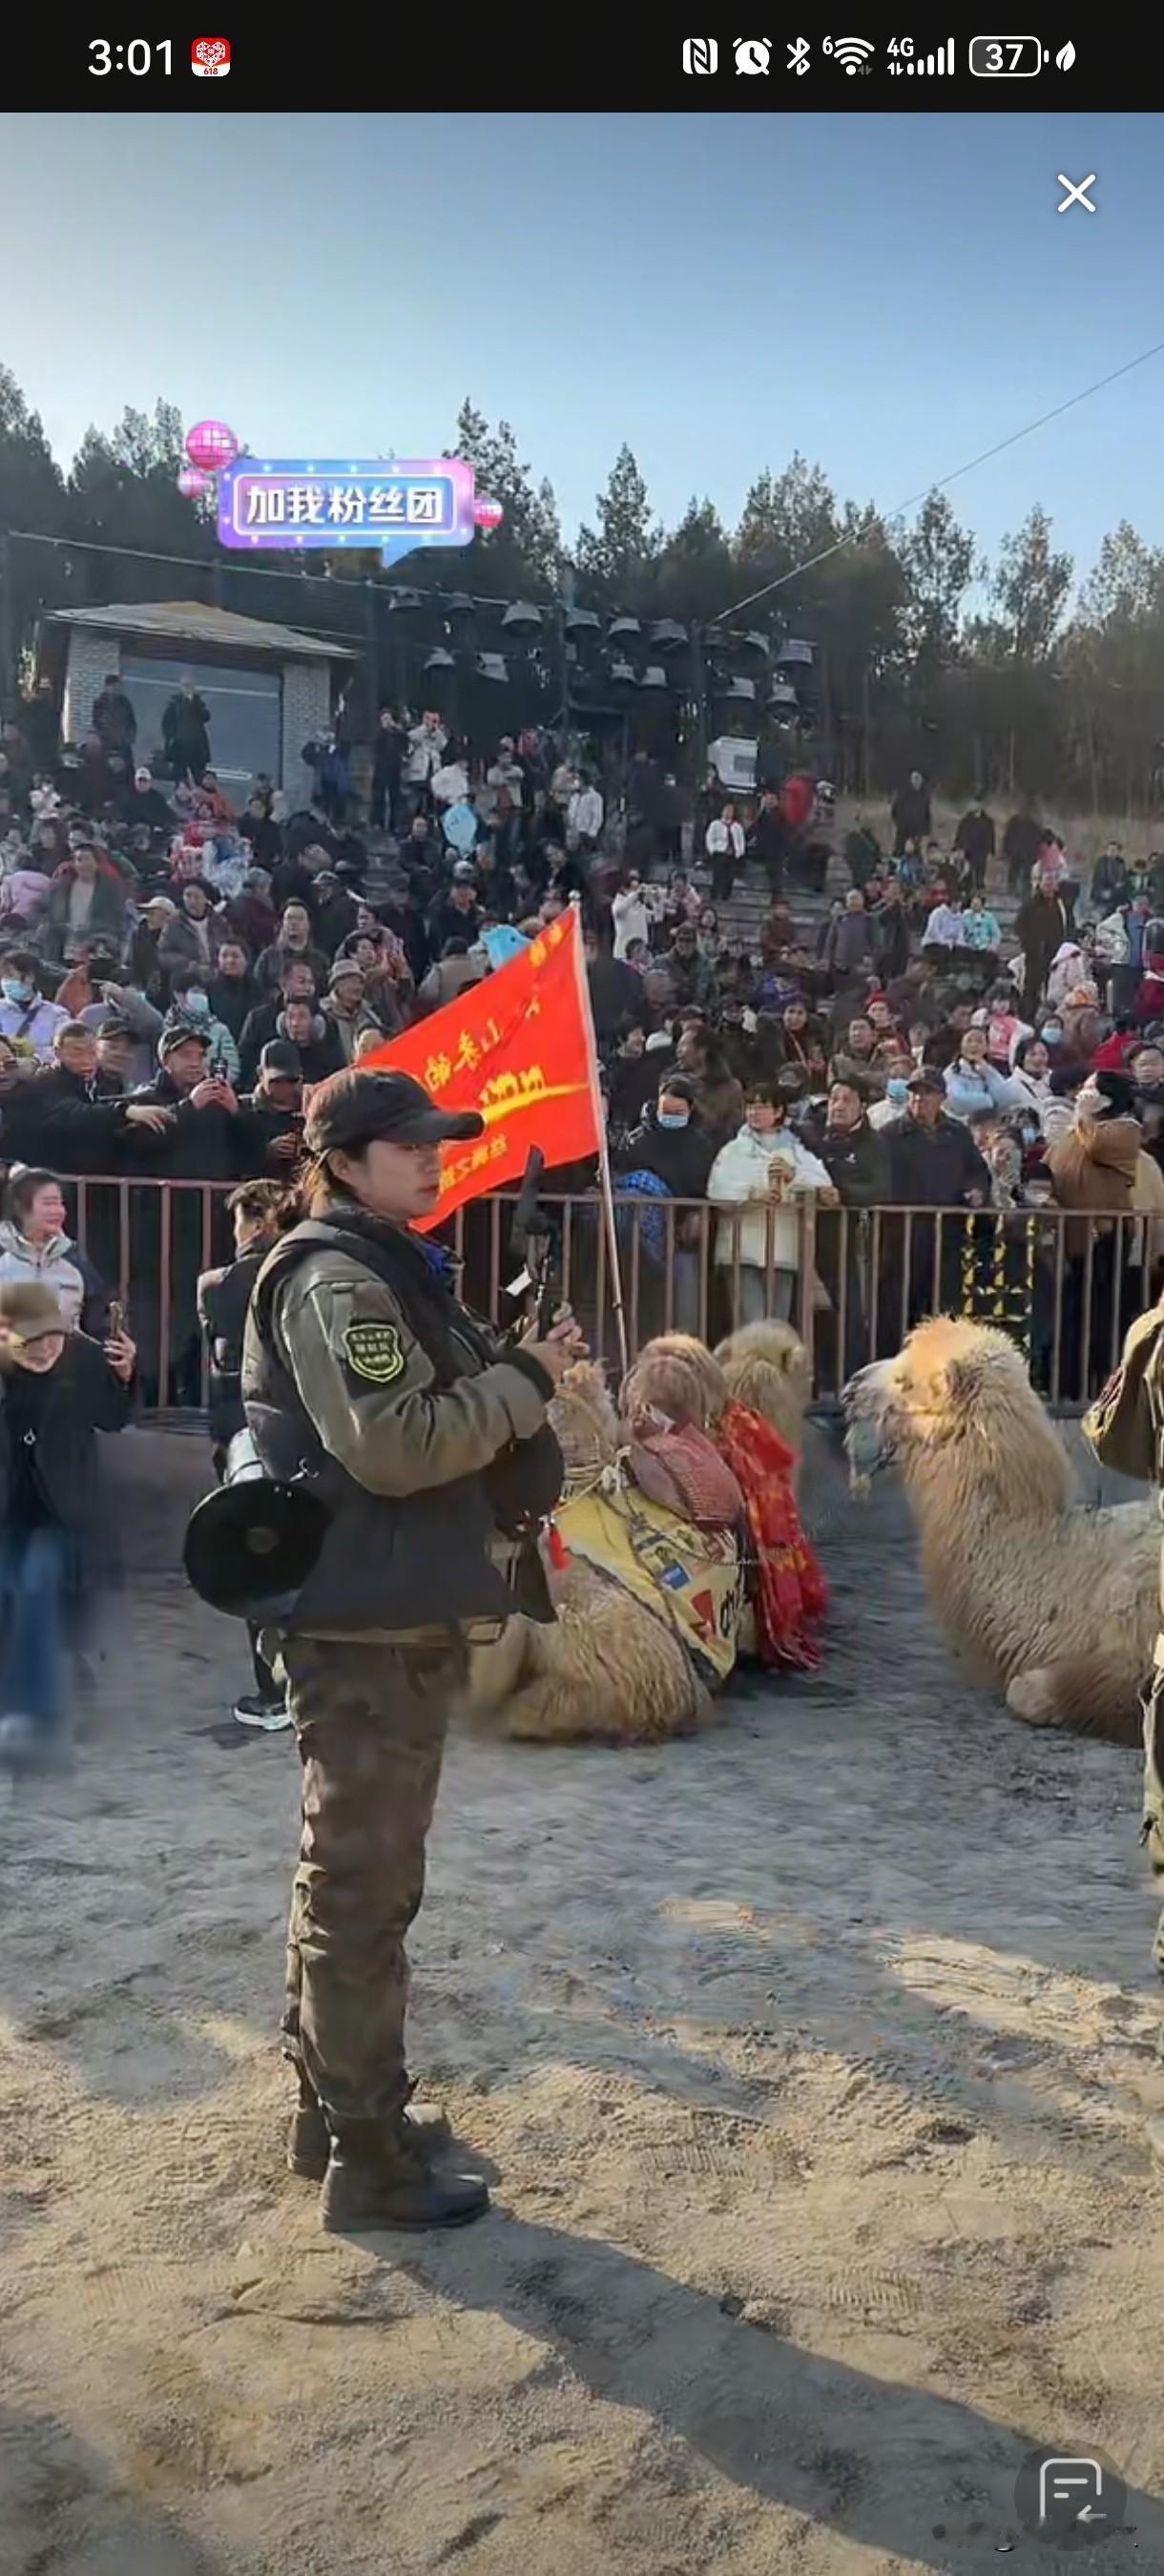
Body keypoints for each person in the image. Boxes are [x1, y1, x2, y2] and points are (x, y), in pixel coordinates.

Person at [239, 1065, 580, 2228]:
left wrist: (508, 1365)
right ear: (340, 1161)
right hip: (362, 1624)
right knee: (359, 1895)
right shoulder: (338, 1280)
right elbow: (393, 1445)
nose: (436, 1160)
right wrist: (521, 1385)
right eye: (411, 1145)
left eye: (438, 1142)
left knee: (350, 1884)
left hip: (384, 1611)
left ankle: (332, 2114)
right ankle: (366, 2160)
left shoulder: (384, 1266)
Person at [0, 1278, 135, 1767]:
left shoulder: (81, 1360)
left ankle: (68, 1705)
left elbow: (115, 1418)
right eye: (30, 1343)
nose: (43, 1351)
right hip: (12, 1504)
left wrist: (123, 1376)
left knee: (51, 1604)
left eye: (52, 1339)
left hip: (65, 1507)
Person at [197, 1181, 292, 1731]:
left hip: (248, 1438)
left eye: (239, 1221)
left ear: (257, 1224)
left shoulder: (222, 1285)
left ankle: (275, 1693)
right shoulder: (320, 1275)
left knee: (259, 1564)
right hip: (313, 1440)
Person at [707, 1081, 835, 1325]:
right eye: (751, 1106)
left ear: (778, 1112)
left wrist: (793, 1175)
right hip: (740, 1249)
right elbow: (718, 1188)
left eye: (763, 1106)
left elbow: (823, 1182)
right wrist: (753, 1195)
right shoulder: (732, 1150)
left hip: (782, 1250)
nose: (755, 1112)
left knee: (778, 1325)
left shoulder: (797, 1150)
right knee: (751, 1323)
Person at [0, 1168, 109, 1334]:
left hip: (66, 1358)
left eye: (60, 1204)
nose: (58, 1212)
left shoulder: (74, 1260)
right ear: (20, 1207)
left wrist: (125, 1352)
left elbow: (99, 1324)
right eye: (49, 1203)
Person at [162, 675, 212, 786]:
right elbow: (166, 724)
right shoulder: (174, 703)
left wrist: (193, 702)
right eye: (185, 685)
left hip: (196, 749)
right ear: (181, 687)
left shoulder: (198, 702)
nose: (188, 688)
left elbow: (206, 717)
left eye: (190, 685)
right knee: (180, 780)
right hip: (179, 748)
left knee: (198, 779)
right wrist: (171, 741)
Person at [705, 801, 745, 904]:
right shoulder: (715, 824)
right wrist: (712, 850)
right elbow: (709, 838)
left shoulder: (737, 826)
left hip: (732, 855)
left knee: (730, 876)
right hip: (719, 853)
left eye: (731, 811)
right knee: (718, 874)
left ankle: (726, 896)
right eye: (726, 810)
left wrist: (739, 852)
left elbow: (741, 841)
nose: (728, 813)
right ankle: (714, 894)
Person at [952, 798, 995, 892]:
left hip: (981, 850)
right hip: (968, 850)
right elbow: (960, 834)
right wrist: (957, 847)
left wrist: (991, 850)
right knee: (968, 870)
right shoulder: (966, 820)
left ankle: (979, 889)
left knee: (980, 870)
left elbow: (990, 836)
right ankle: (968, 887)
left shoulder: (987, 821)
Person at [891, 770, 931, 854]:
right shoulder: (902, 798)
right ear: (910, 780)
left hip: (921, 836)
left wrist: (926, 833)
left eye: (919, 779)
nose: (917, 782)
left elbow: (927, 817)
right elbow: (894, 814)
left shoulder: (924, 797)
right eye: (915, 779)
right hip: (904, 835)